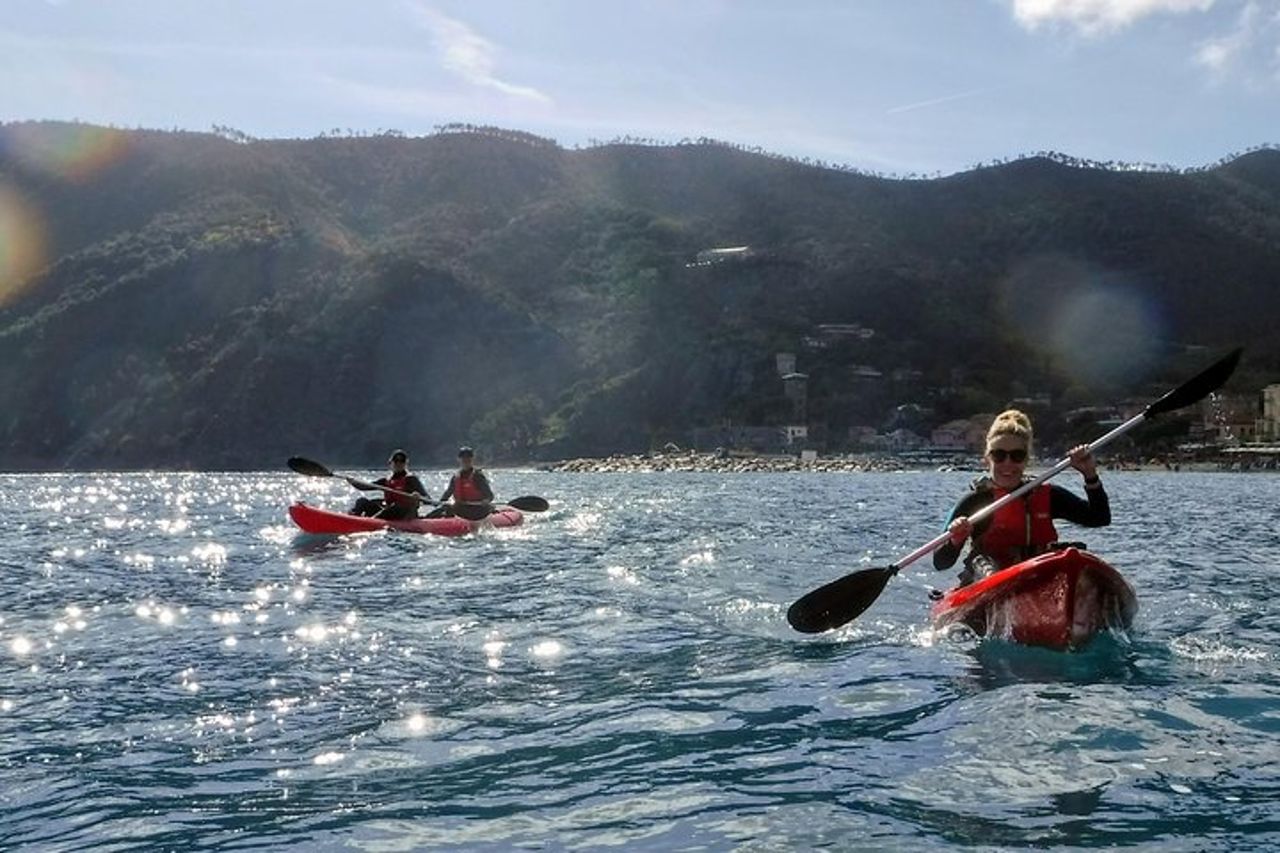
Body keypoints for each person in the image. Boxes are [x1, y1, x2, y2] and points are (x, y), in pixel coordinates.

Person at [933, 409, 1110, 586]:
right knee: (986, 568)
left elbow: (1099, 518)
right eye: (999, 455)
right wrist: (956, 541)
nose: (1008, 463)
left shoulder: (1049, 496)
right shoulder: (974, 503)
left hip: (1040, 578)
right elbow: (940, 562)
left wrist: (1089, 474)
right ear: (987, 459)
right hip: (989, 578)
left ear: (1026, 460)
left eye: (1017, 456)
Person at [348, 449, 430, 520]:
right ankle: (353, 518)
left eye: (402, 461)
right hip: (388, 512)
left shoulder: (411, 479)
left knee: (395, 507)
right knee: (362, 501)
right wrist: (352, 482)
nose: (399, 464)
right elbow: (364, 486)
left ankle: (371, 521)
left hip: (403, 514)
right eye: (396, 461)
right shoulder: (386, 481)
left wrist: (418, 497)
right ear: (390, 463)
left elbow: (428, 499)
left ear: (406, 464)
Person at [437, 446, 494, 514]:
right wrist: (439, 504)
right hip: (462, 507)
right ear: (459, 459)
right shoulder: (456, 477)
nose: (466, 460)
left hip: (478, 508)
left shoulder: (478, 476)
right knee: (445, 508)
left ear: (472, 459)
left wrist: (486, 501)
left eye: (468, 457)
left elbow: (490, 496)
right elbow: (447, 494)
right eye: (463, 458)